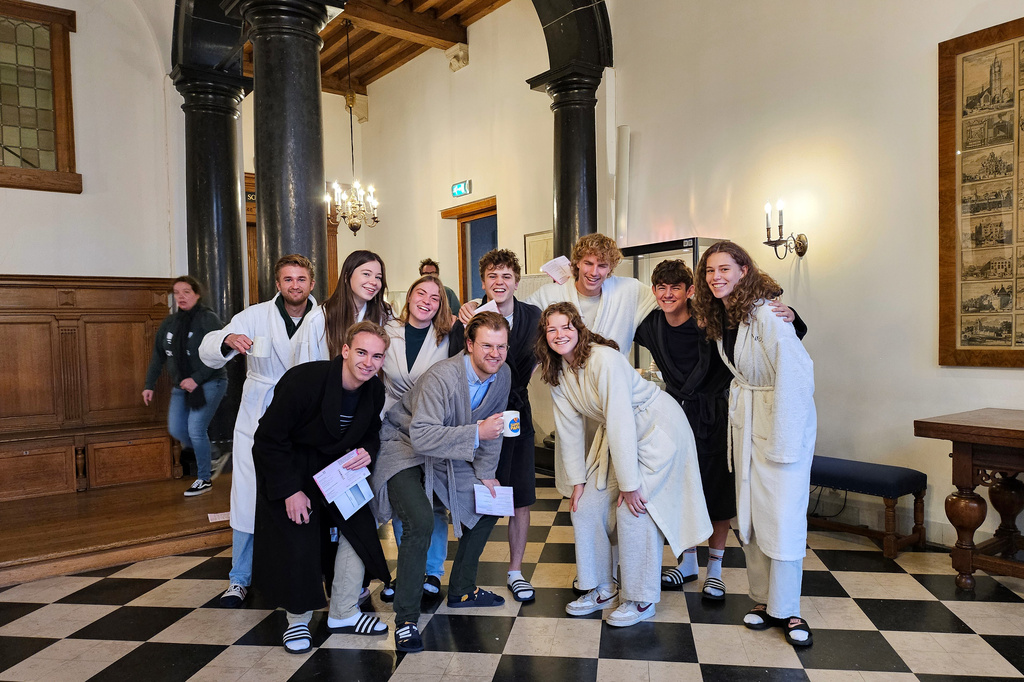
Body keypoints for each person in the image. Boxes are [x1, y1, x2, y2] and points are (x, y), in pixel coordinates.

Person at [634, 259, 806, 600]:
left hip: (717, 413)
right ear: (654, 291)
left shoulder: (709, 318)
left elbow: (769, 327)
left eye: (676, 288)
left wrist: (791, 314)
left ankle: (715, 570)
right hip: (675, 415)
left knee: (717, 491)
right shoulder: (651, 324)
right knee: (679, 488)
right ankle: (686, 563)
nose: (668, 295)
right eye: (662, 288)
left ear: (690, 291)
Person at [537, 302, 711, 626]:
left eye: (566, 327)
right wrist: (577, 481)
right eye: (552, 329)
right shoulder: (557, 372)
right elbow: (569, 431)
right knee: (585, 507)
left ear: (579, 329)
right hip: (619, 436)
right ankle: (601, 587)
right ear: (544, 336)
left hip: (655, 429)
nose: (559, 334)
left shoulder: (604, 359)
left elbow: (619, 419)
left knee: (633, 510)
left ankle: (641, 598)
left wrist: (630, 486)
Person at [691, 241, 816, 648]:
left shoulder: (766, 312)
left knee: (781, 516)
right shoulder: (727, 314)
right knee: (753, 516)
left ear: (744, 270)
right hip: (747, 421)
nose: (716, 277)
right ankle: (764, 601)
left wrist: (782, 442)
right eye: (709, 271)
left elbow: (797, 375)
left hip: (781, 425)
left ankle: (790, 608)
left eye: (725, 269)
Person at [370, 312, 512, 653]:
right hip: (404, 445)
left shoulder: (502, 375)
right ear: (469, 344)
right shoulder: (442, 376)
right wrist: (477, 432)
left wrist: (486, 474)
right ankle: (405, 618)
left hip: (448, 450)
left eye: (502, 346)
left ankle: (463, 588)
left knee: (488, 502)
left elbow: (494, 432)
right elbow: (420, 435)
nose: (495, 354)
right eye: (487, 346)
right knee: (419, 521)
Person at [252, 321, 392, 654]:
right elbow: (268, 440)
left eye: (377, 356)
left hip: (336, 471)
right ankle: (297, 620)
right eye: (361, 352)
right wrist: (289, 490)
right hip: (292, 468)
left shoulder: (374, 390)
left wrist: (367, 451)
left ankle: (344, 612)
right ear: (344, 351)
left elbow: (371, 432)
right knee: (298, 534)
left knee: (359, 529)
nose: (367, 362)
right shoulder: (305, 381)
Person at [198, 254, 316, 608]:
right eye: (288, 279)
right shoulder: (253, 315)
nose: (295, 285)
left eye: (301, 279)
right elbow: (210, 347)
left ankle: (316, 573)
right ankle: (239, 578)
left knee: (310, 493)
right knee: (248, 494)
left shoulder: (323, 317)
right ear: (277, 284)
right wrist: (228, 339)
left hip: (306, 420)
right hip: (260, 414)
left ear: (312, 283)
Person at [449, 249, 541, 602]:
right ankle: (466, 576)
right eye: (492, 276)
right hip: (479, 414)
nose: (499, 282)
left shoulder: (533, 316)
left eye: (506, 276)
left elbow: (546, 354)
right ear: (483, 281)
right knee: (476, 493)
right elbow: (457, 361)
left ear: (517, 281)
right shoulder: (470, 317)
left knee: (520, 498)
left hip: (518, 413)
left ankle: (515, 571)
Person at [379, 274, 454, 601]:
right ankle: (409, 568)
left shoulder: (448, 336)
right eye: (420, 293)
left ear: (441, 305)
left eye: (434, 297)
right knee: (402, 498)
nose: (426, 300)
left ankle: (433, 572)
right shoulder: (387, 331)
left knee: (434, 500)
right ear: (408, 297)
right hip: (393, 424)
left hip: (432, 423)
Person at [142, 276, 227, 496]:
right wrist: (148, 385)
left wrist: (196, 378)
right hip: (181, 385)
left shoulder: (208, 319)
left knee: (195, 429)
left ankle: (204, 478)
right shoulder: (170, 323)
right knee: (177, 429)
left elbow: (221, 355)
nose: (181, 296)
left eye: (186, 292)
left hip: (210, 381)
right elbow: (158, 355)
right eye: (177, 292)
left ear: (197, 295)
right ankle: (213, 455)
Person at [292, 250, 393, 364]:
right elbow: (305, 367)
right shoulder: (317, 319)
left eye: (378, 277)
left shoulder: (385, 314)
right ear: (346, 276)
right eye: (366, 274)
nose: (374, 282)